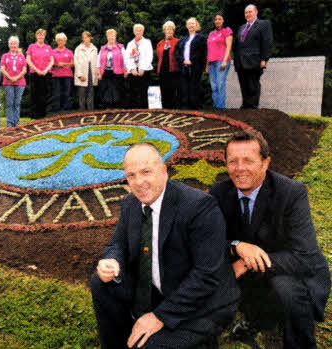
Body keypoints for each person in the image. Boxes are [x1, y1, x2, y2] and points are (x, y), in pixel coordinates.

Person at [91, 143, 239, 349]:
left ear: (164, 171)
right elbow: (118, 242)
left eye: (146, 172)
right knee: (102, 283)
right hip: (159, 291)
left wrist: (160, 316)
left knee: (148, 346)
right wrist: (112, 260)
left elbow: (206, 276)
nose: (138, 182)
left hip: (201, 303)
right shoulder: (130, 204)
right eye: (131, 175)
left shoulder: (199, 207)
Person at [209, 130, 331, 349]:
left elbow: (305, 257)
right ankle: (255, 319)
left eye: (248, 161)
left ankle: (300, 341)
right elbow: (208, 241)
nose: (240, 169)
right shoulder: (219, 193)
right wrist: (237, 246)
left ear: (265, 163)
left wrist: (247, 260)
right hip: (250, 275)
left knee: (286, 289)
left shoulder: (291, 193)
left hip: (292, 271)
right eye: (233, 161)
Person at [233, 4, 273, 109]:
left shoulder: (263, 24)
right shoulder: (241, 27)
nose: (248, 14)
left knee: (253, 84)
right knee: (243, 84)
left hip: (254, 60)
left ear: (256, 12)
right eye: (246, 12)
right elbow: (236, 45)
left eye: (250, 11)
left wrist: (264, 59)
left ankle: (253, 105)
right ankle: (245, 105)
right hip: (240, 62)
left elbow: (267, 42)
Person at [175, 18, 207, 110]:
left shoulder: (201, 38)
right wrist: (183, 60)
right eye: (189, 24)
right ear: (186, 26)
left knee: (194, 87)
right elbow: (177, 52)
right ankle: (185, 107)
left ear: (196, 25)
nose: (191, 25)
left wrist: (191, 60)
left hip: (195, 66)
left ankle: (195, 107)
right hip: (184, 67)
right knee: (184, 88)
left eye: (193, 23)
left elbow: (201, 52)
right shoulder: (183, 39)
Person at [206, 13, 233, 110]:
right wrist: (207, 65)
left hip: (221, 61)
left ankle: (221, 108)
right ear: (214, 21)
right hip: (211, 63)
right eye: (216, 19)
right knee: (214, 86)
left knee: (220, 84)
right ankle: (216, 106)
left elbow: (229, 47)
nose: (217, 21)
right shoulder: (211, 34)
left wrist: (225, 61)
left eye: (219, 19)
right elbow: (209, 50)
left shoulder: (227, 31)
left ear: (223, 20)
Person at [26, 29, 54, 119]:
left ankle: (42, 116)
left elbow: (52, 61)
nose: (40, 36)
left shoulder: (48, 48)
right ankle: (33, 116)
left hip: (46, 74)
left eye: (42, 35)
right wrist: (36, 69)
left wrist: (46, 70)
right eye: (39, 35)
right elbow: (28, 59)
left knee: (44, 95)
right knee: (34, 95)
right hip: (34, 74)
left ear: (44, 36)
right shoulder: (31, 47)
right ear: (36, 36)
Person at [0, 36, 27, 127]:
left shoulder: (21, 56)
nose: (13, 45)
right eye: (11, 43)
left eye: (15, 43)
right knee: (10, 103)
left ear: (17, 44)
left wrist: (16, 78)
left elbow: (24, 70)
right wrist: (10, 78)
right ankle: (10, 123)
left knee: (17, 103)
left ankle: (17, 122)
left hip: (20, 83)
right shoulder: (5, 56)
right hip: (8, 83)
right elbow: (2, 69)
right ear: (9, 45)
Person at [125, 24, 153, 109]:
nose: (138, 32)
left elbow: (149, 56)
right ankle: (134, 114)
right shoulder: (130, 44)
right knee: (133, 93)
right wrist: (132, 69)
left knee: (143, 92)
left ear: (143, 31)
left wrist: (143, 68)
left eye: (140, 30)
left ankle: (144, 112)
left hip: (144, 71)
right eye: (136, 30)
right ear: (134, 32)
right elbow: (127, 58)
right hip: (133, 72)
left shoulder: (147, 42)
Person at [97, 29, 127, 109]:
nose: (111, 37)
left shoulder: (120, 47)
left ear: (115, 37)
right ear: (107, 37)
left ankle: (117, 107)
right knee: (106, 90)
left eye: (113, 36)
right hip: (106, 72)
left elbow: (125, 60)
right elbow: (98, 62)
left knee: (117, 89)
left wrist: (125, 71)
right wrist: (99, 73)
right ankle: (108, 107)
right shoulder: (103, 48)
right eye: (109, 36)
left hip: (118, 72)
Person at [155, 21, 180, 109]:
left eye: (171, 29)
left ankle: (173, 109)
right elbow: (159, 56)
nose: (169, 31)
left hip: (173, 70)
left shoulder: (177, 41)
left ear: (173, 31)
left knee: (172, 90)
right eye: (167, 29)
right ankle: (164, 109)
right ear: (164, 31)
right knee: (164, 90)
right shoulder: (160, 43)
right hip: (162, 70)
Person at [74, 31, 98, 110]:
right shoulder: (78, 49)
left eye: (87, 37)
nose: (86, 39)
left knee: (91, 92)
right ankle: (82, 111)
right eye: (84, 38)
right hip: (82, 72)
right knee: (82, 93)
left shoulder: (94, 49)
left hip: (92, 72)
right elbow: (76, 63)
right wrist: (80, 75)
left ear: (90, 38)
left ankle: (90, 110)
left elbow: (97, 62)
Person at [51, 32, 74, 112]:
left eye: (62, 40)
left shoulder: (69, 52)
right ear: (57, 41)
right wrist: (57, 64)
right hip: (56, 75)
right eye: (59, 40)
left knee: (67, 92)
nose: (61, 42)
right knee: (56, 93)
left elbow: (73, 64)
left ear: (65, 41)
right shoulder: (53, 52)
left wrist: (64, 64)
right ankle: (56, 110)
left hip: (67, 75)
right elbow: (50, 63)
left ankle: (66, 109)